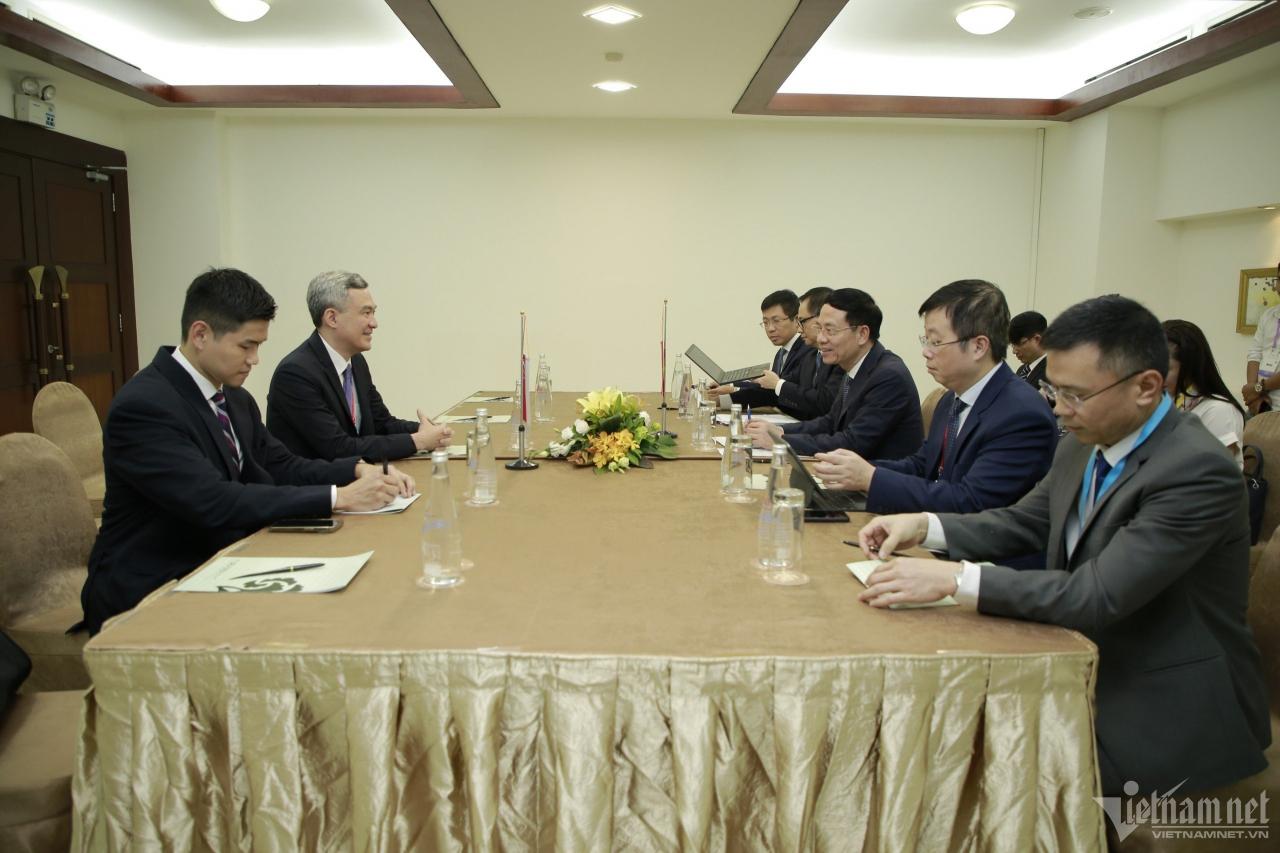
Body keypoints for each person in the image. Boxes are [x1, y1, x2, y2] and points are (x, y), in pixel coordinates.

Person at [854, 294, 1269, 798]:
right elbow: (1026, 521)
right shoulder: (1082, 439)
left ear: (1146, 387)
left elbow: (1096, 594)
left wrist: (955, 578)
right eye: (1055, 389)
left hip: (1161, 695)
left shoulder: (1194, 471)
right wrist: (923, 527)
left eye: (1075, 394)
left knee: (978, 772)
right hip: (1074, 655)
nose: (1058, 408)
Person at [81, 269, 414, 635]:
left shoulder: (235, 399)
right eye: (246, 346)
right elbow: (213, 500)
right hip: (158, 579)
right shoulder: (145, 406)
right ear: (201, 334)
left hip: (227, 559)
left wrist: (355, 471)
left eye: (259, 346)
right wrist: (339, 497)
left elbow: (282, 465)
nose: (255, 360)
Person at [812, 280, 1057, 516]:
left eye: (936, 342)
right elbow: (921, 466)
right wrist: (850, 470)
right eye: (926, 340)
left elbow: (970, 502)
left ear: (979, 347)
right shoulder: (952, 399)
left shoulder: (1021, 413)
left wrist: (870, 478)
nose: (926, 352)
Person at [267, 271, 452, 461]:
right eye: (366, 313)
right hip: (318, 488)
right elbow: (339, 448)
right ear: (332, 318)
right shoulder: (295, 374)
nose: (374, 323)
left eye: (374, 312)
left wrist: (425, 430)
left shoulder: (355, 361)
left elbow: (382, 424)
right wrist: (418, 441)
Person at [745, 288, 922, 459]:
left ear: (862, 333)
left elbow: (852, 442)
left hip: (877, 481)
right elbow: (830, 422)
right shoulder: (855, 366)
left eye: (830, 330)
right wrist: (779, 431)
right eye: (819, 329)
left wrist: (781, 441)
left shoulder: (888, 376)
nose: (821, 338)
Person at [706, 289, 815, 417]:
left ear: (796, 320)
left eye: (776, 321)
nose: (770, 329)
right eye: (765, 322)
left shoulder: (808, 351)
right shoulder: (781, 353)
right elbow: (768, 389)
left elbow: (774, 393)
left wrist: (727, 396)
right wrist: (731, 386)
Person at [1164, 319, 1245, 468]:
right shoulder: (1173, 403)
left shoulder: (1219, 411)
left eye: (1165, 368)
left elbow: (1215, 478)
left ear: (1189, 367)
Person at [769, 286, 846, 420]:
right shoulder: (811, 356)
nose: (798, 329)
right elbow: (789, 388)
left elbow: (824, 404)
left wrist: (778, 384)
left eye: (802, 321)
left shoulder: (839, 358)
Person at [1243, 261, 1280, 414]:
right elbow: (1255, 354)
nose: (1278, 287)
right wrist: (1253, 394)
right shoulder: (1268, 315)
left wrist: (1259, 387)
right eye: (1279, 280)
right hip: (1260, 404)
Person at [1008, 310, 1048, 388]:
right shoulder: (1021, 370)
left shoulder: (1052, 372)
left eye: (1020, 343)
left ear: (1037, 339)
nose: (1014, 351)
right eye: (1012, 345)